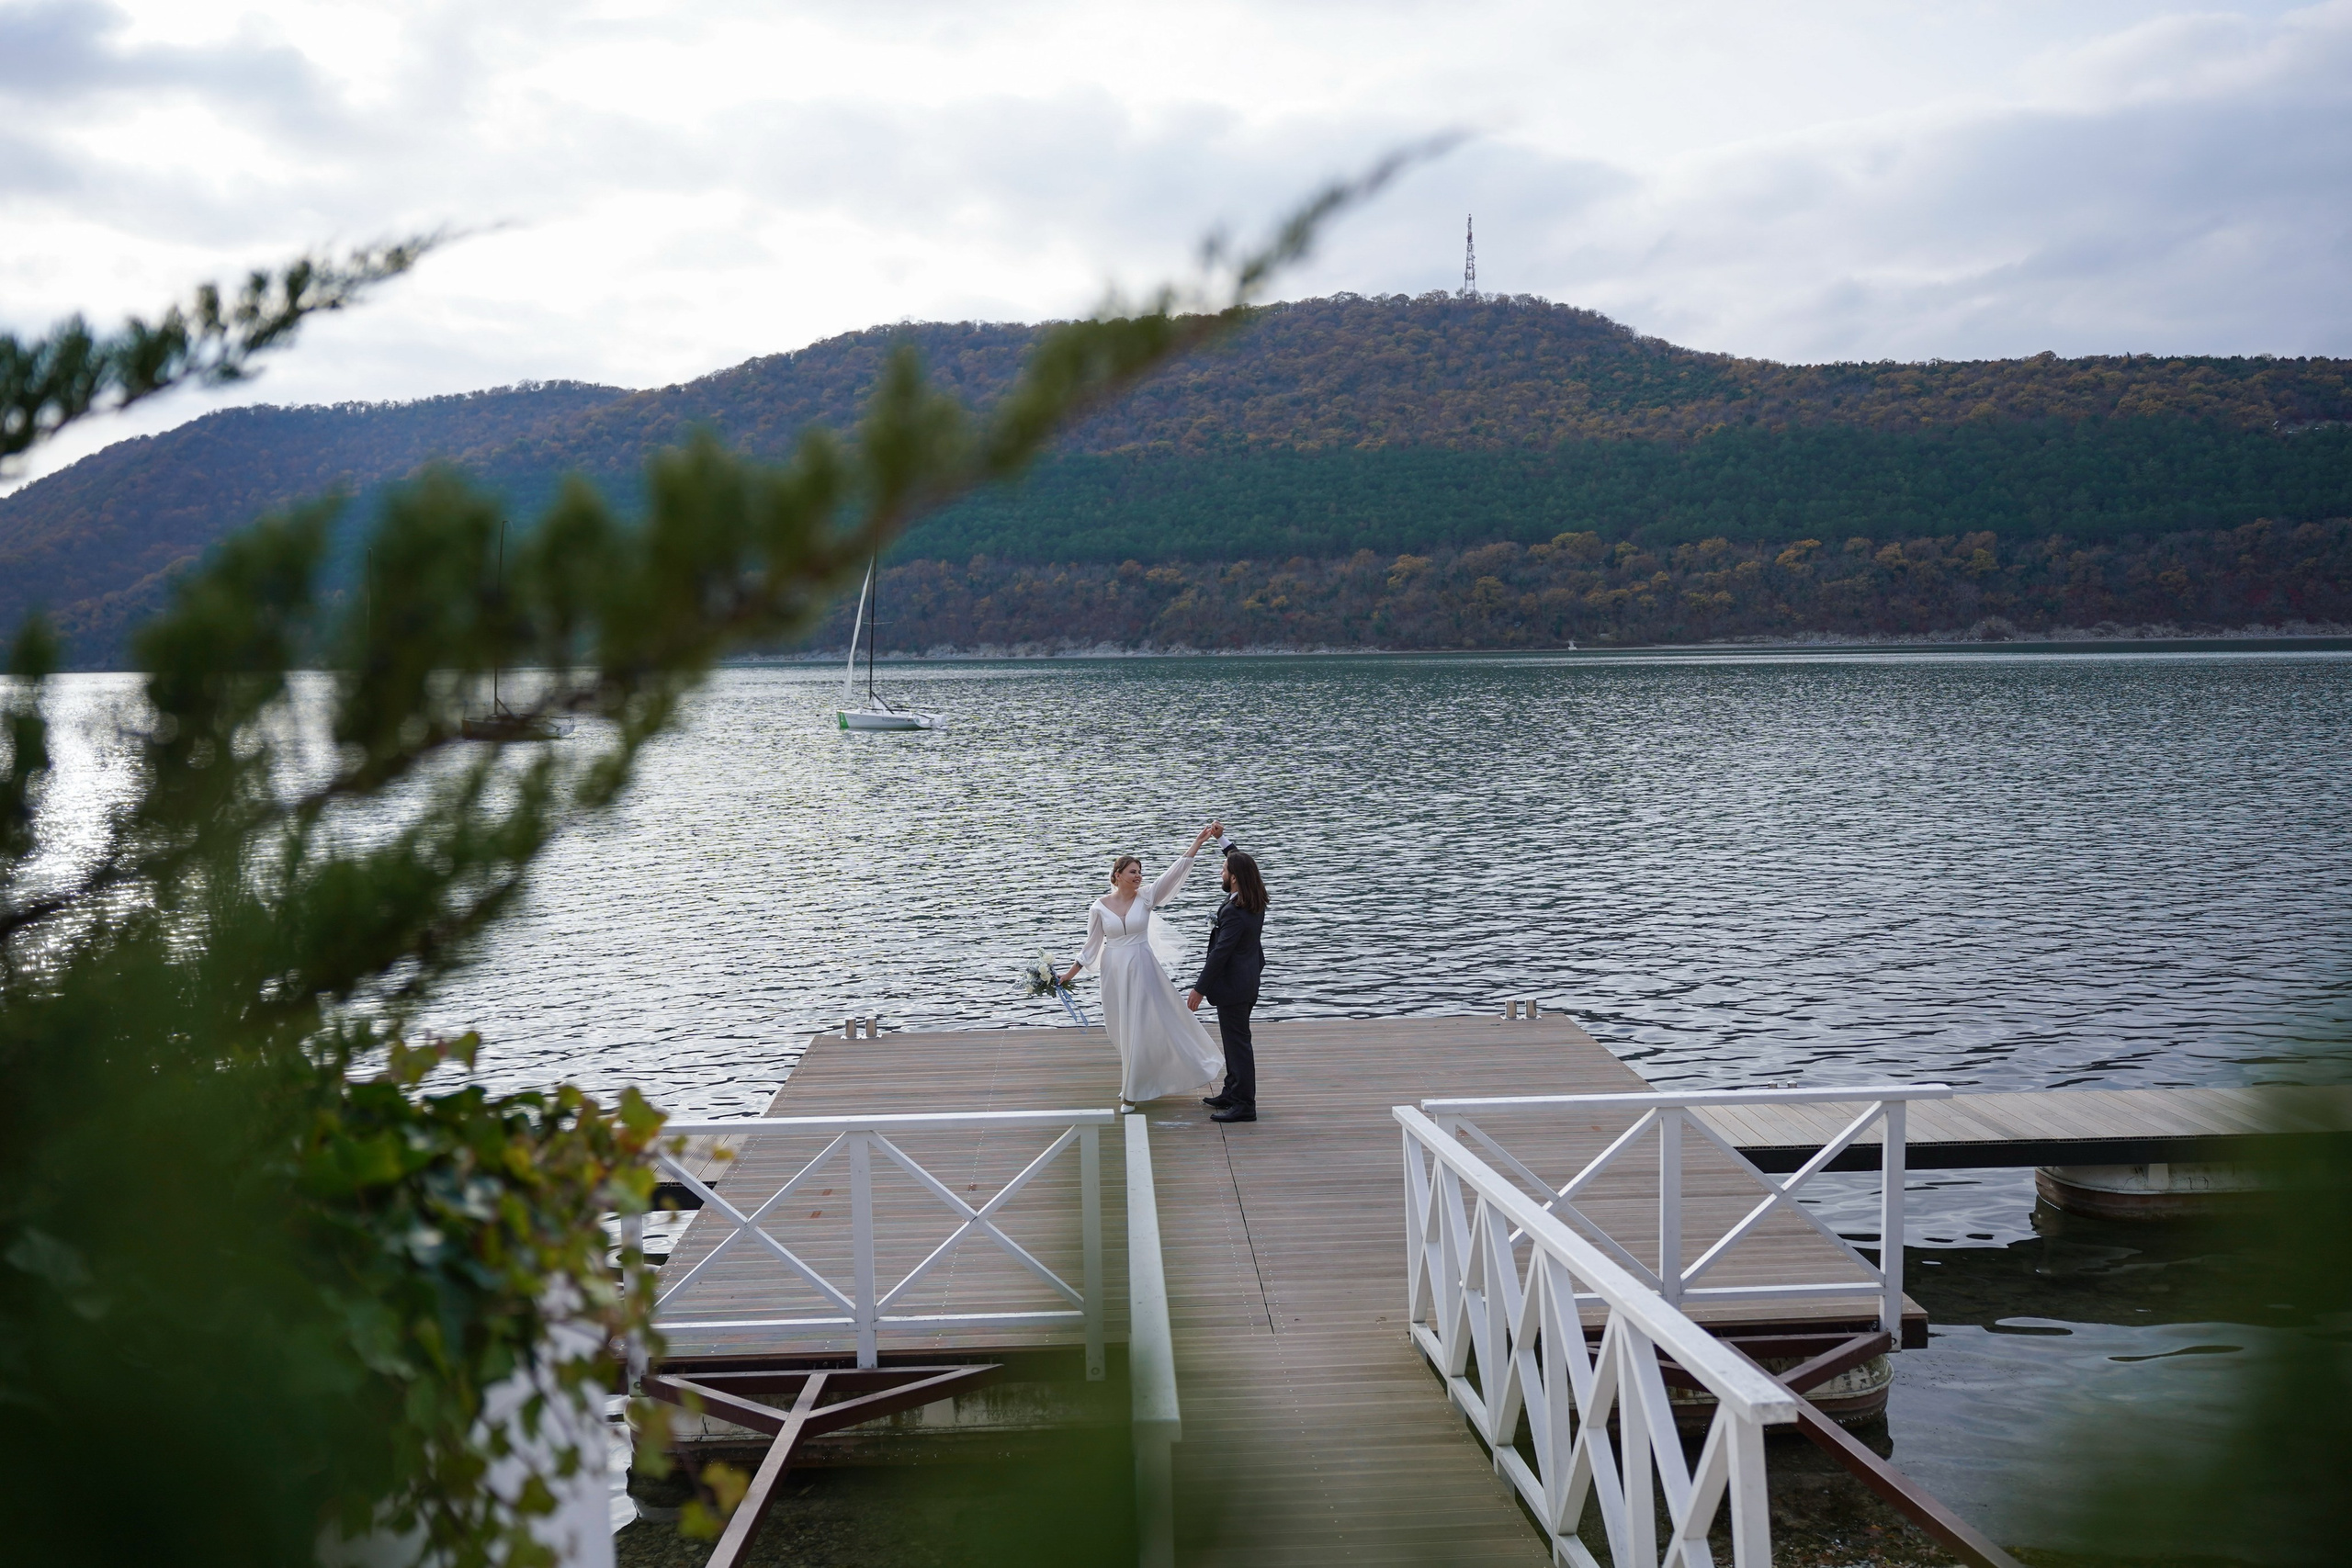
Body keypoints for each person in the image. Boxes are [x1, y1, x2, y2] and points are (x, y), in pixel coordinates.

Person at [1058, 822, 1227, 1107]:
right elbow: (1091, 947)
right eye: (1133, 872)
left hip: (1143, 968)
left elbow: (1174, 873)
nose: (1138, 876)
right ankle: (1136, 1080)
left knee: (1145, 1025)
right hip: (1114, 971)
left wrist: (1198, 842)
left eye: (1140, 872)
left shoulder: (1147, 896)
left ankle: (1132, 1093)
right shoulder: (1098, 906)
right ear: (1118, 875)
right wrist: (1068, 974)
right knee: (1123, 1027)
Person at [1189, 846, 1268, 1122]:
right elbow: (1241, 861)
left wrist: (1199, 989)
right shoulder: (1254, 900)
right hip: (1247, 982)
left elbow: (1221, 953)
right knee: (1235, 1041)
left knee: (1238, 1045)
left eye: (1224, 870)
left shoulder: (1235, 911)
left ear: (1234, 877)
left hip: (1234, 986)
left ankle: (1245, 1104)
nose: (1220, 873)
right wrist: (1223, 840)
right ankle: (1232, 1092)